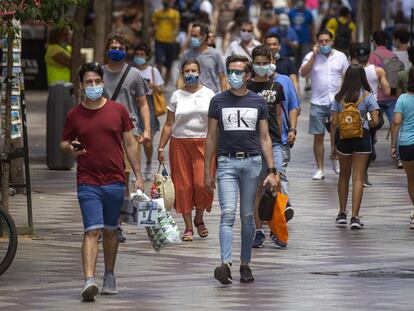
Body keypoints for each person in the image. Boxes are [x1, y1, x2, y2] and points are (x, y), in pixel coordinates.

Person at [60, 62, 144, 301]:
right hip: (87, 180)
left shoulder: (118, 111)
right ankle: (89, 280)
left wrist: (138, 176)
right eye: (88, 82)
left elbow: (130, 143)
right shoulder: (74, 114)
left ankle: (109, 274)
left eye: (97, 81)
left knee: (110, 231)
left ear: (103, 83)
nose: (93, 86)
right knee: (91, 230)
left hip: (115, 180)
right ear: (81, 85)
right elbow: (64, 142)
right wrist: (70, 148)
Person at [204, 55, 279, 285]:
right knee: (227, 213)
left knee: (247, 216)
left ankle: (245, 264)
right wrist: (208, 169)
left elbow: (265, 137)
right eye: (231, 71)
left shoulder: (257, 102)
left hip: (252, 162)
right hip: (226, 162)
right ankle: (225, 264)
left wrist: (272, 170)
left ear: (248, 75)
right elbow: (211, 136)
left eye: (239, 71)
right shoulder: (217, 101)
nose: (234, 75)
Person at [158, 59, 215, 241]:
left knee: (202, 184)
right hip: (179, 144)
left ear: (199, 72)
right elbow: (168, 124)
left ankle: (199, 217)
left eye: (194, 70)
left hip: (204, 144)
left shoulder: (210, 94)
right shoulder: (176, 96)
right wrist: (161, 147)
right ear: (182, 74)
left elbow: (216, 124)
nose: (191, 74)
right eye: (187, 71)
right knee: (183, 187)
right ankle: (188, 227)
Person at [102, 34, 150, 242]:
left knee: (121, 180)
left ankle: (116, 225)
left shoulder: (134, 75)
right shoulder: (98, 74)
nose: (116, 50)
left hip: (129, 132)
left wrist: (147, 129)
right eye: (112, 46)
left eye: (120, 47)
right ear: (106, 48)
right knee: (103, 178)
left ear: (126, 50)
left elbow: (142, 103)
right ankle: (104, 223)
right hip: (103, 131)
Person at [245, 45, 286, 248]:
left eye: (264, 63)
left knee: (273, 185)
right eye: (257, 63)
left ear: (270, 62)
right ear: (252, 63)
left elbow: (278, 116)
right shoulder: (246, 87)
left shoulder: (276, 86)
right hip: (252, 143)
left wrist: (282, 138)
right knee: (256, 189)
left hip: (275, 142)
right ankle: (259, 231)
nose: (261, 67)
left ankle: (275, 229)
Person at [330, 64, 379, 229]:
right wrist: (365, 121)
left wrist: (332, 146)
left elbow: (334, 124)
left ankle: (342, 213)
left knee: (344, 176)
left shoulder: (339, 98)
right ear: (362, 77)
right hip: (362, 138)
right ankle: (355, 217)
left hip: (343, 139)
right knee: (358, 177)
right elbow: (376, 121)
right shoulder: (368, 96)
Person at [300, 29, 349, 180]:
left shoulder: (341, 57)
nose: (323, 44)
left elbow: (347, 77)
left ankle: (338, 161)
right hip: (317, 102)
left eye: (326, 41)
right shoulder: (310, 56)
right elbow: (303, 73)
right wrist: (314, 56)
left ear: (331, 42)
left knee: (340, 135)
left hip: (336, 102)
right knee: (318, 136)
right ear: (317, 42)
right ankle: (320, 168)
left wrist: (346, 99)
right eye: (321, 41)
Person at [354, 43, 391, 187]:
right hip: (371, 110)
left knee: (358, 139)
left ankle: (359, 172)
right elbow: (387, 91)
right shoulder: (378, 71)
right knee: (368, 137)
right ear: (369, 55)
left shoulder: (351, 71)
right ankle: (364, 173)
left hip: (355, 110)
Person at [133, 43, 164, 181]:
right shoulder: (131, 70)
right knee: (135, 140)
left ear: (147, 56)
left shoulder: (153, 71)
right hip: (134, 104)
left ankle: (149, 165)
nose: (139, 57)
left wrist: (153, 86)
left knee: (148, 141)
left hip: (149, 104)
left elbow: (161, 90)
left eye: (142, 54)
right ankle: (136, 169)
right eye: (137, 54)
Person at [391, 67, 414, 228]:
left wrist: (393, 145)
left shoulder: (402, 99)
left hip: (406, 144)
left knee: (411, 179)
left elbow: (396, 123)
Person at [177, 23, 227, 93]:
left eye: (195, 36)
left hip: (211, 97)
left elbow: (222, 77)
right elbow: (180, 77)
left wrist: (223, 98)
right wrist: (180, 93)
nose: (192, 39)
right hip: (190, 95)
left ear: (203, 36)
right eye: (191, 36)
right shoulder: (186, 54)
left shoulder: (215, 54)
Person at [368, 30, 402, 127]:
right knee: (395, 124)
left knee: (372, 125)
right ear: (386, 41)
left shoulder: (371, 56)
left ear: (373, 42)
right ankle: (395, 142)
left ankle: (372, 140)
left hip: (376, 97)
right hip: (392, 95)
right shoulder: (394, 56)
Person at [151, 0, 180, 85]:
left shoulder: (175, 13)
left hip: (170, 42)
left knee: (169, 64)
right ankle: (160, 80)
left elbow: (177, 27)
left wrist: (174, 37)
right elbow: (153, 25)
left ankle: (166, 84)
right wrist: (152, 36)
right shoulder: (157, 13)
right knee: (158, 62)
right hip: (159, 40)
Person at [289, 0, 314, 69]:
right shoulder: (291, 12)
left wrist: (313, 39)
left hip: (305, 39)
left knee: (305, 58)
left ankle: (303, 75)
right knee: (295, 59)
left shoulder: (308, 13)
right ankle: (295, 73)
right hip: (294, 40)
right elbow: (289, 26)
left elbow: (312, 27)